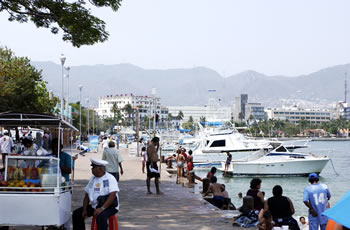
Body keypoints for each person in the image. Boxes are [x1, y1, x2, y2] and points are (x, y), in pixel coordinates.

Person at [72, 158, 119, 230]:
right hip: (95, 206)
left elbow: (112, 195)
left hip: (109, 206)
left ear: (100, 169)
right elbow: (87, 195)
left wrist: (102, 208)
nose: (92, 169)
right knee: (77, 214)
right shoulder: (92, 178)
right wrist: (85, 209)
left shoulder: (110, 178)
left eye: (93, 167)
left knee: (101, 216)